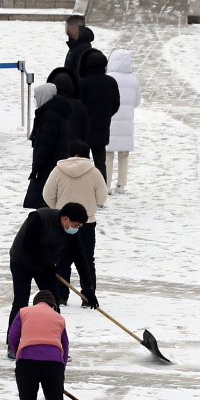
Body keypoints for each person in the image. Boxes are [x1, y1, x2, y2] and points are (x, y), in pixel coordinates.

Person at [8, 202, 96, 348]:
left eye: (79, 226)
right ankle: (13, 345)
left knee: (53, 304)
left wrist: (88, 290)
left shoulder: (71, 232)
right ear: (65, 218)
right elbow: (27, 244)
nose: (76, 229)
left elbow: (80, 258)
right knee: (20, 302)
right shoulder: (39, 218)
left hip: (45, 265)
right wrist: (46, 265)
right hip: (21, 261)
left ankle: (55, 344)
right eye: (75, 225)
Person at [9, 289, 70, 400]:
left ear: (35, 303)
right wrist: (60, 368)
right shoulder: (59, 318)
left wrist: (18, 355)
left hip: (27, 361)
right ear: (53, 306)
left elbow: (13, 336)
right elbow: (64, 346)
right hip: (53, 363)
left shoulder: (23, 312)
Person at [44, 141, 106, 305]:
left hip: (63, 223)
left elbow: (47, 194)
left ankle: (61, 296)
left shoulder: (58, 170)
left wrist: (59, 211)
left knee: (62, 260)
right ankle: (87, 295)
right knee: (87, 260)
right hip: (87, 223)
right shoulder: (94, 172)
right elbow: (102, 198)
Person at [24, 83, 71, 209]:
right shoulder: (57, 113)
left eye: (36, 96)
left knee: (44, 202)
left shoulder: (49, 116)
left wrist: (37, 168)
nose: (35, 99)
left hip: (48, 165)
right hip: (56, 162)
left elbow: (45, 145)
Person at [77, 49, 120, 182]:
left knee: (83, 162)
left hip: (85, 129)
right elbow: (116, 104)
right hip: (103, 127)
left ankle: (84, 187)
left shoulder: (83, 83)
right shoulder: (111, 82)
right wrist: (106, 115)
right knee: (100, 162)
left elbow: (79, 106)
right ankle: (101, 189)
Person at [105, 50, 140, 195]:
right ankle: (121, 184)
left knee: (108, 153)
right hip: (126, 122)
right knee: (124, 154)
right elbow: (136, 102)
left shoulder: (108, 78)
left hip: (110, 119)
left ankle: (106, 185)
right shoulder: (133, 80)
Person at [47, 67, 88, 146]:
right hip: (75, 149)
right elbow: (86, 128)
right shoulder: (78, 104)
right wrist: (80, 143)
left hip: (56, 149)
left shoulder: (50, 104)